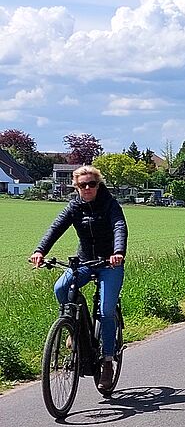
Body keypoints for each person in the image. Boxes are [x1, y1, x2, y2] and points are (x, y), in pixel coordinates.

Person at [30, 165, 128, 392]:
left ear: (98, 185)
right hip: (85, 262)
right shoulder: (74, 207)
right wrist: (40, 250)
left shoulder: (110, 204)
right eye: (82, 185)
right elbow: (55, 228)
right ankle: (75, 328)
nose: (87, 188)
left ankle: (107, 361)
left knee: (106, 311)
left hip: (110, 264)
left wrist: (118, 252)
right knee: (61, 288)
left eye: (92, 184)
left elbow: (119, 227)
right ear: (76, 187)